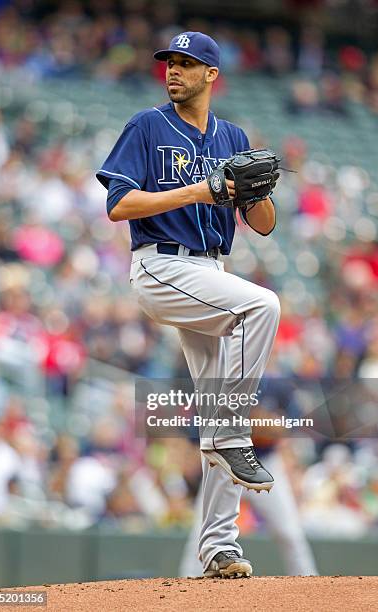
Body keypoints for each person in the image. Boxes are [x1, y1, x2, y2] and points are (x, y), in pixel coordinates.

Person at [96, 31, 281, 579]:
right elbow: (119, 204)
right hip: (162, 264)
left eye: (186, 63)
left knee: (220, 397)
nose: (173, 70)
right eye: (169, 62)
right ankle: (232, 436)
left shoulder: (233, 136)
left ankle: (219, 548)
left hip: (211, 270)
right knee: (263, 307)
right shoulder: (147, 126)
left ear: (211, 75)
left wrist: (256, 191)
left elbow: (264, 225)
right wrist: (199, 192)